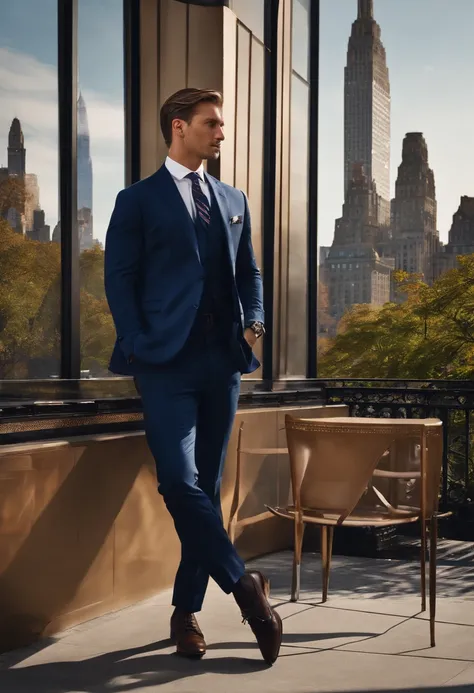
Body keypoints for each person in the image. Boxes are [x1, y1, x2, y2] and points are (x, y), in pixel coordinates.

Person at [104, 88, 282, 665]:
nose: (221, 134)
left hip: (222, 364)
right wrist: (134, 343)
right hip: (164, 365)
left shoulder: (233, 199)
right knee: (180, 482)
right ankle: (247, 590)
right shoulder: (136, 200)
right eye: (212, 124)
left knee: (203, 490)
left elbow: (250, 273)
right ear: (179, 127)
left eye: (221, 125)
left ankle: (186, 613)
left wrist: (254, 325)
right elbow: (120, 281)